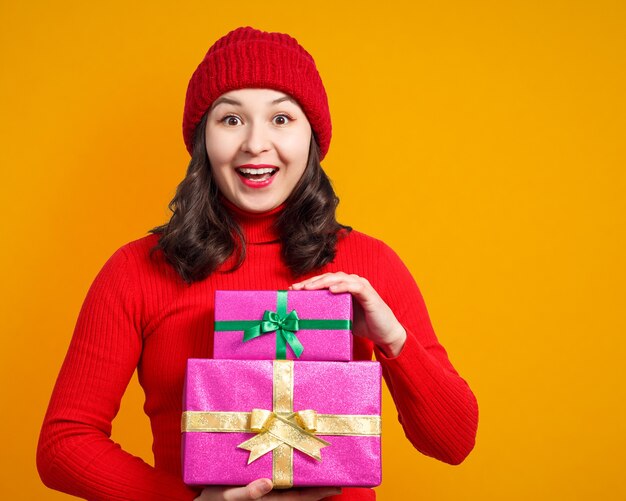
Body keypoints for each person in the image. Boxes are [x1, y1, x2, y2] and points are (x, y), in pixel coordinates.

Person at [37, 26, 479, 501]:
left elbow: (453, 442)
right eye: (231, 120)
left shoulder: (368, 263)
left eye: (281, 119)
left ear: (313, 136)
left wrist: (392, 339)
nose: (255, 143)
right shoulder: (137, 270)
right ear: (202, 138)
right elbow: (64, 444)